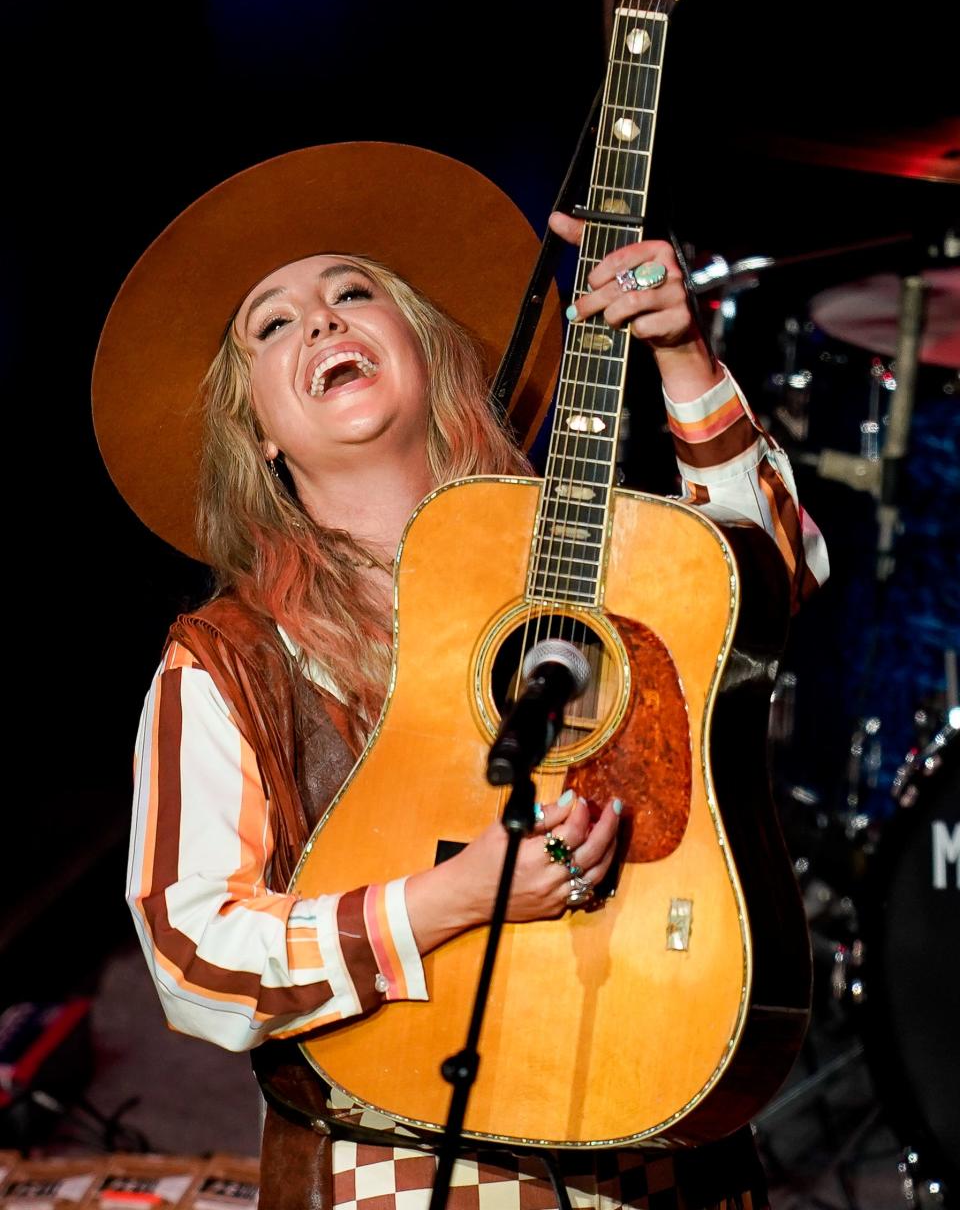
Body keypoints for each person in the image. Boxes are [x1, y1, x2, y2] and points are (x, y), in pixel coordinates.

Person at [94, 141, 828, 1210]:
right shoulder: (232, 659)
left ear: (429, 348)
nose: (323, 321)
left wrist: (681, 353)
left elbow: (780, 577)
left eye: (353, 292)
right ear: (254, 428)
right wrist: (448, 901)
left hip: (662, 1116)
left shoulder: (585, 563)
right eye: (275, 322)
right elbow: (190, 954)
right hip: (400, 1160)